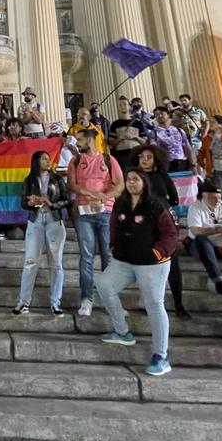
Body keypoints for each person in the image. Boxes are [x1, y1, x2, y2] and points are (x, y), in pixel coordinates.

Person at [96, 169, 178, 376]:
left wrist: (158, 252)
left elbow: (171, 233)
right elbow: (113, 227)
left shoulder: (156, 204)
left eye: (135, 179)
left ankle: (161, 356)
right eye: (128, 180)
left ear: (144, 182)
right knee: (104, 285)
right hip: (124, 261)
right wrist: (114, 247)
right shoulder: (121, 203)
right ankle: (122, 332)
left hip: (152, 264)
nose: (131, 183)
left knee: (154, 304)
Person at [67, 128, 124, 316]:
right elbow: (72, 184)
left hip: (106, 211)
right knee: (86, 255)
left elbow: (120, 184)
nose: (77, 143)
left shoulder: (108, 159)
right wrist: (88, 193)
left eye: (80, 140)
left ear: (91, 140)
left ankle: (111, 300)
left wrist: (104, 196)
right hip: (83, 212)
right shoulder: (75, 161)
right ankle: (86, 298)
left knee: (108, 255)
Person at [135, 144, 190, 320]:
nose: (144, 160)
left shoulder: (162, 176)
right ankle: (151, 303)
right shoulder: (135, 177)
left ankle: (179, 304)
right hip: (143, 224)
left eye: (148, 157)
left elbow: (174, 198)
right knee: (148, 265)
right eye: (141, 156)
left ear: (156, 159)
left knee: (173, 264)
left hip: (165, 222)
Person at [13, 150, 71, 316]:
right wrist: (31, 202)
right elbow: (23, 202)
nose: (48, 161)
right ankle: (23, 302)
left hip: (54, 220)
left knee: (56, 263)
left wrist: (51, 203)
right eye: (44, 158)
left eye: (48, 158)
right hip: (36, 220)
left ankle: (55, 302)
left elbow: (67, 200)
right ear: (36, 161)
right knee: (30, 261)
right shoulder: (29, 180)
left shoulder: (58, 179)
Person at [146, 106, 192, 172]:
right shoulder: (154, 133)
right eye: (157, 114)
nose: (160, 116)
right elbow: (154, 150)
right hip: (166, 164)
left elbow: (187, 147)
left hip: (182, 162)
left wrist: (192, 164)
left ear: (168, 115)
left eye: (162, 113)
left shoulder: (179, 130)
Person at [108, 97, 145, 170]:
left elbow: (145, 142)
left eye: (124, 104)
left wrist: (136, 137)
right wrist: (120, 138)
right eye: (120, 105)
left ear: (129, 106)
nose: (122, 107)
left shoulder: (138, 123)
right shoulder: (115, 124)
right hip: (121, 156)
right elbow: (112, 144)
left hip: (137, 154)